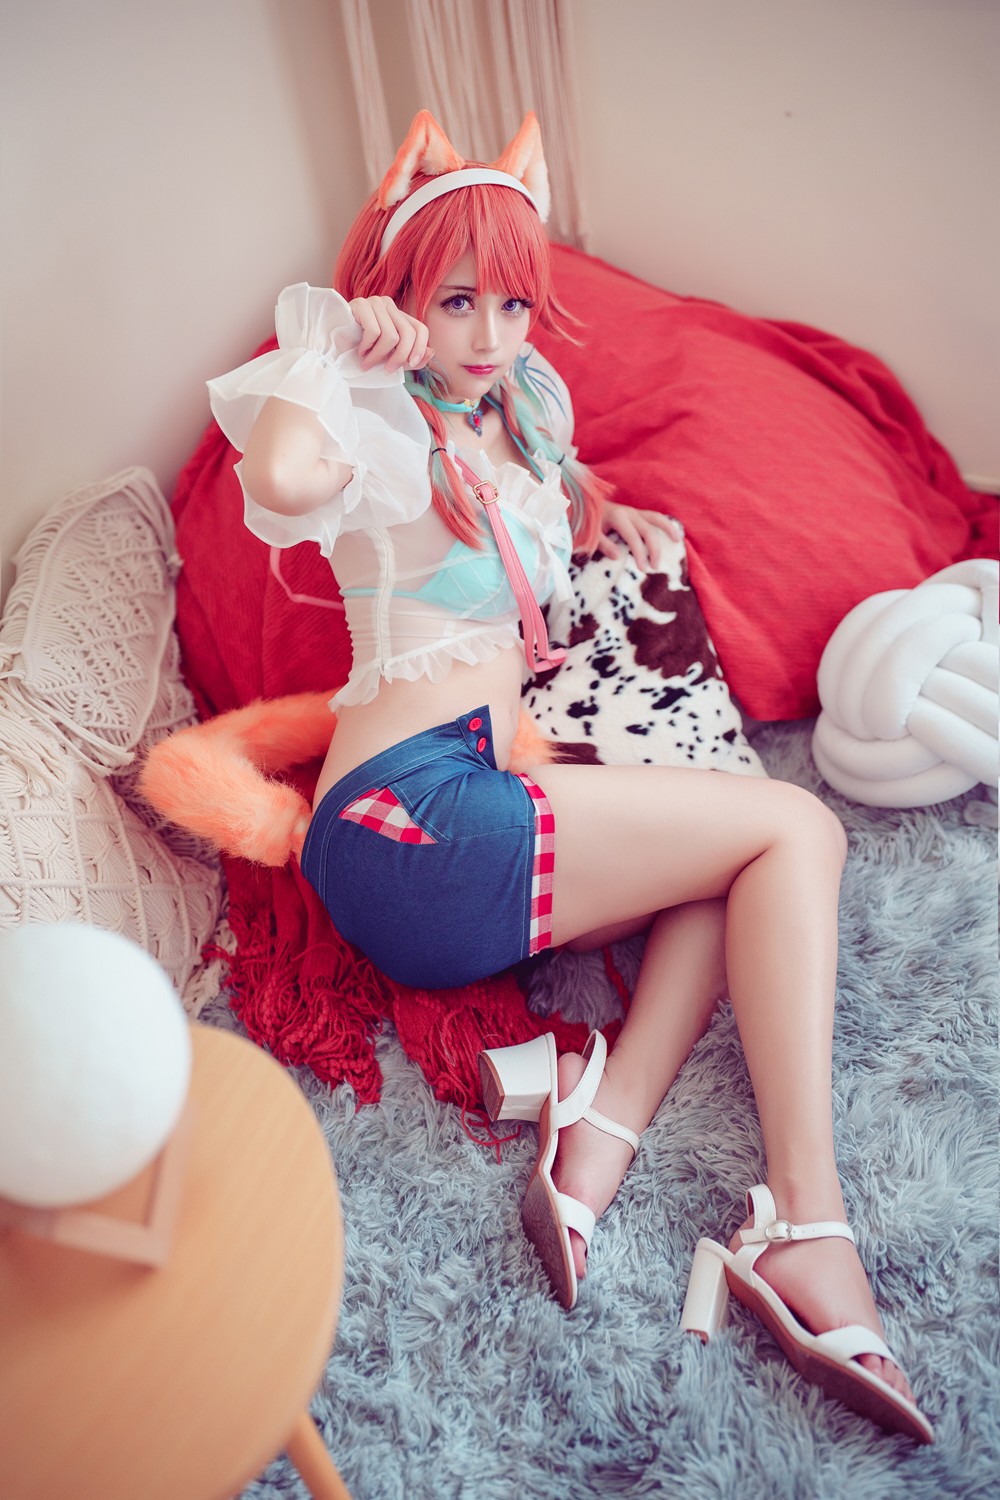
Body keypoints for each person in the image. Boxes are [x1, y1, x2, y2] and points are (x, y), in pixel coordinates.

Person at [206, 109, 932, 1444]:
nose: (488, 335)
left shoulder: (519, 418)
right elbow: (285, 473)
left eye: (512, 303)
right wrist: (333, 349)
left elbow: (533, 520)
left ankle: (597, 1128)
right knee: (798, 831)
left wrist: (603, 513)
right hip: (407, 817)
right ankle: (805, 1214)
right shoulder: (373, 421)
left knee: (727, 864)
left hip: (461, 810)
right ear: (401, 301)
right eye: (454, 302)